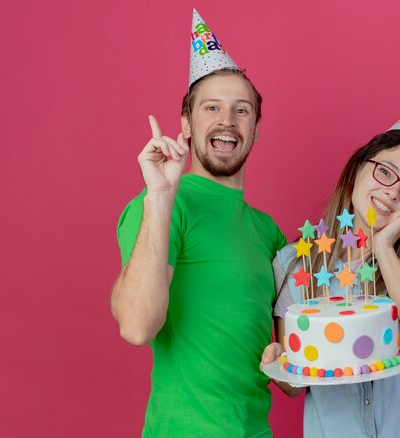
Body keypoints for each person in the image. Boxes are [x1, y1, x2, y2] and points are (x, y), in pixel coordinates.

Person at [111, 10, 287, 437]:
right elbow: (136, 327)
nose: (227, 121)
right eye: (212, 108)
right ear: (187, 124)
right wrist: (159, 197)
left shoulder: (271, 233)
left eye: (241, 111)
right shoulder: (164, 206)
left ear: (256, 130)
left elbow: (289, 380)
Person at [262, 94, 400, 437]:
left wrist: (384, 246)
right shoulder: (293, 262)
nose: (391, 192)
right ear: (357, 169)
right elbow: (296, 384)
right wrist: (276, 362)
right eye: (384, 172)